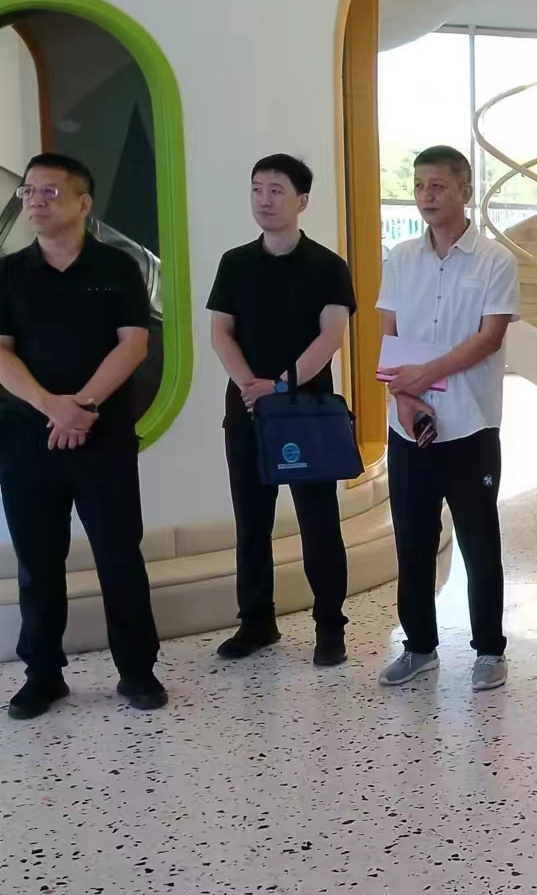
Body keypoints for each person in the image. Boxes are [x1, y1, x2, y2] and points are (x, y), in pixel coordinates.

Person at [0, 153, 166, 718]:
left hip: (104, 439)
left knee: (119, 557)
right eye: (28, 192)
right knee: (37, 564)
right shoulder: (8, 272)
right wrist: (53, 407)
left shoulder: (118, 267)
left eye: (49, 192)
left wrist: (84, 407)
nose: (35, 201)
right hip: (26, 439)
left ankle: (138, 672)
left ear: (83, 203)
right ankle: (43, 676)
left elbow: (133, 345)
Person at [374, 145, 518, 692]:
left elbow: (489, 338)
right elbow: (389, 333)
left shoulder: (495, 260)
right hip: (408, 426)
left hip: (469, 426)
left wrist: (424, 374)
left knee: (479, 543)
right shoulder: (400, 257)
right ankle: (419, 647)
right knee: (412, 541)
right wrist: (404, 396)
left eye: (437, 185)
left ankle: (490, 650)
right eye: (418, 186)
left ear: (465, 190)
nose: (426, 196)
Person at [208, 154, 355, 667]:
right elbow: (220, 333)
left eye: (276, 190)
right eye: (257, 189)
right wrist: (250, 386)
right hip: (248, 409)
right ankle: (256, 621)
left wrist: (282, 385)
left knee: (319, 520)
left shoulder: (327, 266)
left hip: (306, 409)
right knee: (251, 521)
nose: (264, 200)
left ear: (302, 201)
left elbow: (331, 336)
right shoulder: (234, 262)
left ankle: (330, 627)